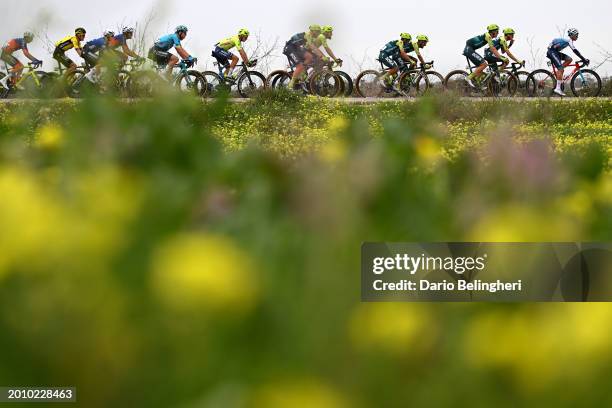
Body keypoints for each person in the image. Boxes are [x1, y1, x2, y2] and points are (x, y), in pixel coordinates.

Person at [547, 28, 589, 96]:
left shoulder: (568, 40)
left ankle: (559, 72)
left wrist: (583, 59)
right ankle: (557, 88)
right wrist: (584, 59)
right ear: (572, 35)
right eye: (576, 35)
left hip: (555, 52)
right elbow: (575, 51)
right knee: (560, 69)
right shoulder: (568, 40)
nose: (577, 37)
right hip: (552, 52)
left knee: (569, 59)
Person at [284, 25, 321, 90]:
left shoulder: (311, 37)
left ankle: (301, 73)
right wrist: (321, 56)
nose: (318, 34)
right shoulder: (307, 35)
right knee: (300, 66)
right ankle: (290, 86)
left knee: (310, 57)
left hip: (296, 49)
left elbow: (311, 48)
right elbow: (312, 46)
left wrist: (319, 56)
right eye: (318, 32)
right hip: (290, 48)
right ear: (313, 31)